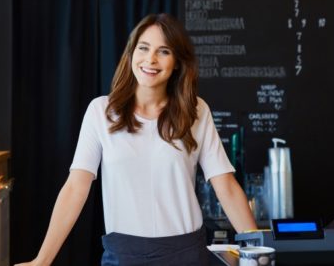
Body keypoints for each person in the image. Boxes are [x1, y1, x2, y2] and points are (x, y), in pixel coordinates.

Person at [16, 13, 257, 266]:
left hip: (187, 254)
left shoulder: (196, 111)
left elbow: (226, 186)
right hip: (124, 255)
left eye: (164, 51)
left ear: (177, 62)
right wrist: (41, 261)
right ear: (131, 54)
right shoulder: (101, 111)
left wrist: (257, 251)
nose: (150, 59)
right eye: (143, 48)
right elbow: (76, 187)